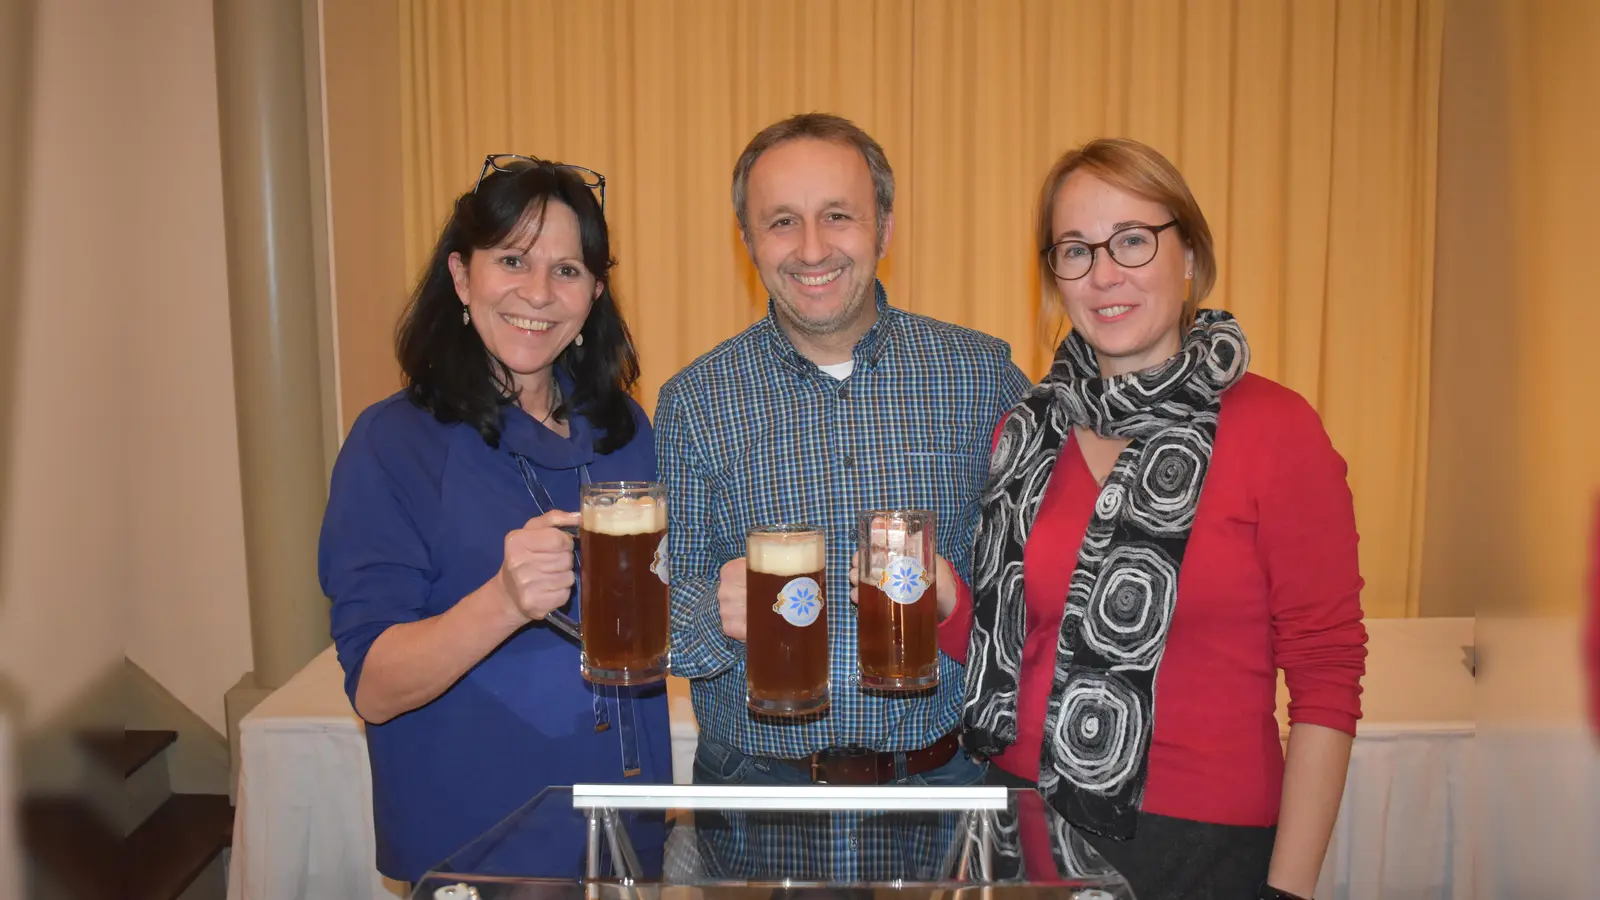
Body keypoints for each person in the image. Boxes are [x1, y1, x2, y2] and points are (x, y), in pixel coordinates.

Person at [956, 138, 1368, 900]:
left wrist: (1290, 889)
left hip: (1197, 847)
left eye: (1133, 241)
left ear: (1188, 256)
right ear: (1054, 277)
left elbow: (1326, 677)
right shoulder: (1029, 431)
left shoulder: (1277, 431)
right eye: (1075, 250)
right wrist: (926, 597)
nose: (1105, 273)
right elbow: (1010, 636)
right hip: (1018, 823)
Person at [653, 113, 1033, 882]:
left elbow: (1035, 582)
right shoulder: (695, 400)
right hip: (758, 799)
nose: (813, 249)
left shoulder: (982, 374)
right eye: (782, 222)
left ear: (884, 227)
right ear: (748, 240)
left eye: (839, 216)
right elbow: (659, 615)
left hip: (944, 788)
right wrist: (707, 611)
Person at [319, 156, 671, 884]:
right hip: (477, 839)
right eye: (512, 259)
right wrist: (502, 602)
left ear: (596, 292)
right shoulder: (395, 443)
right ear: (461, 277)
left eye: (568, 270)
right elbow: (375, 687)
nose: (538, 293)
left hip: (621, 829)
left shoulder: (623, 429)